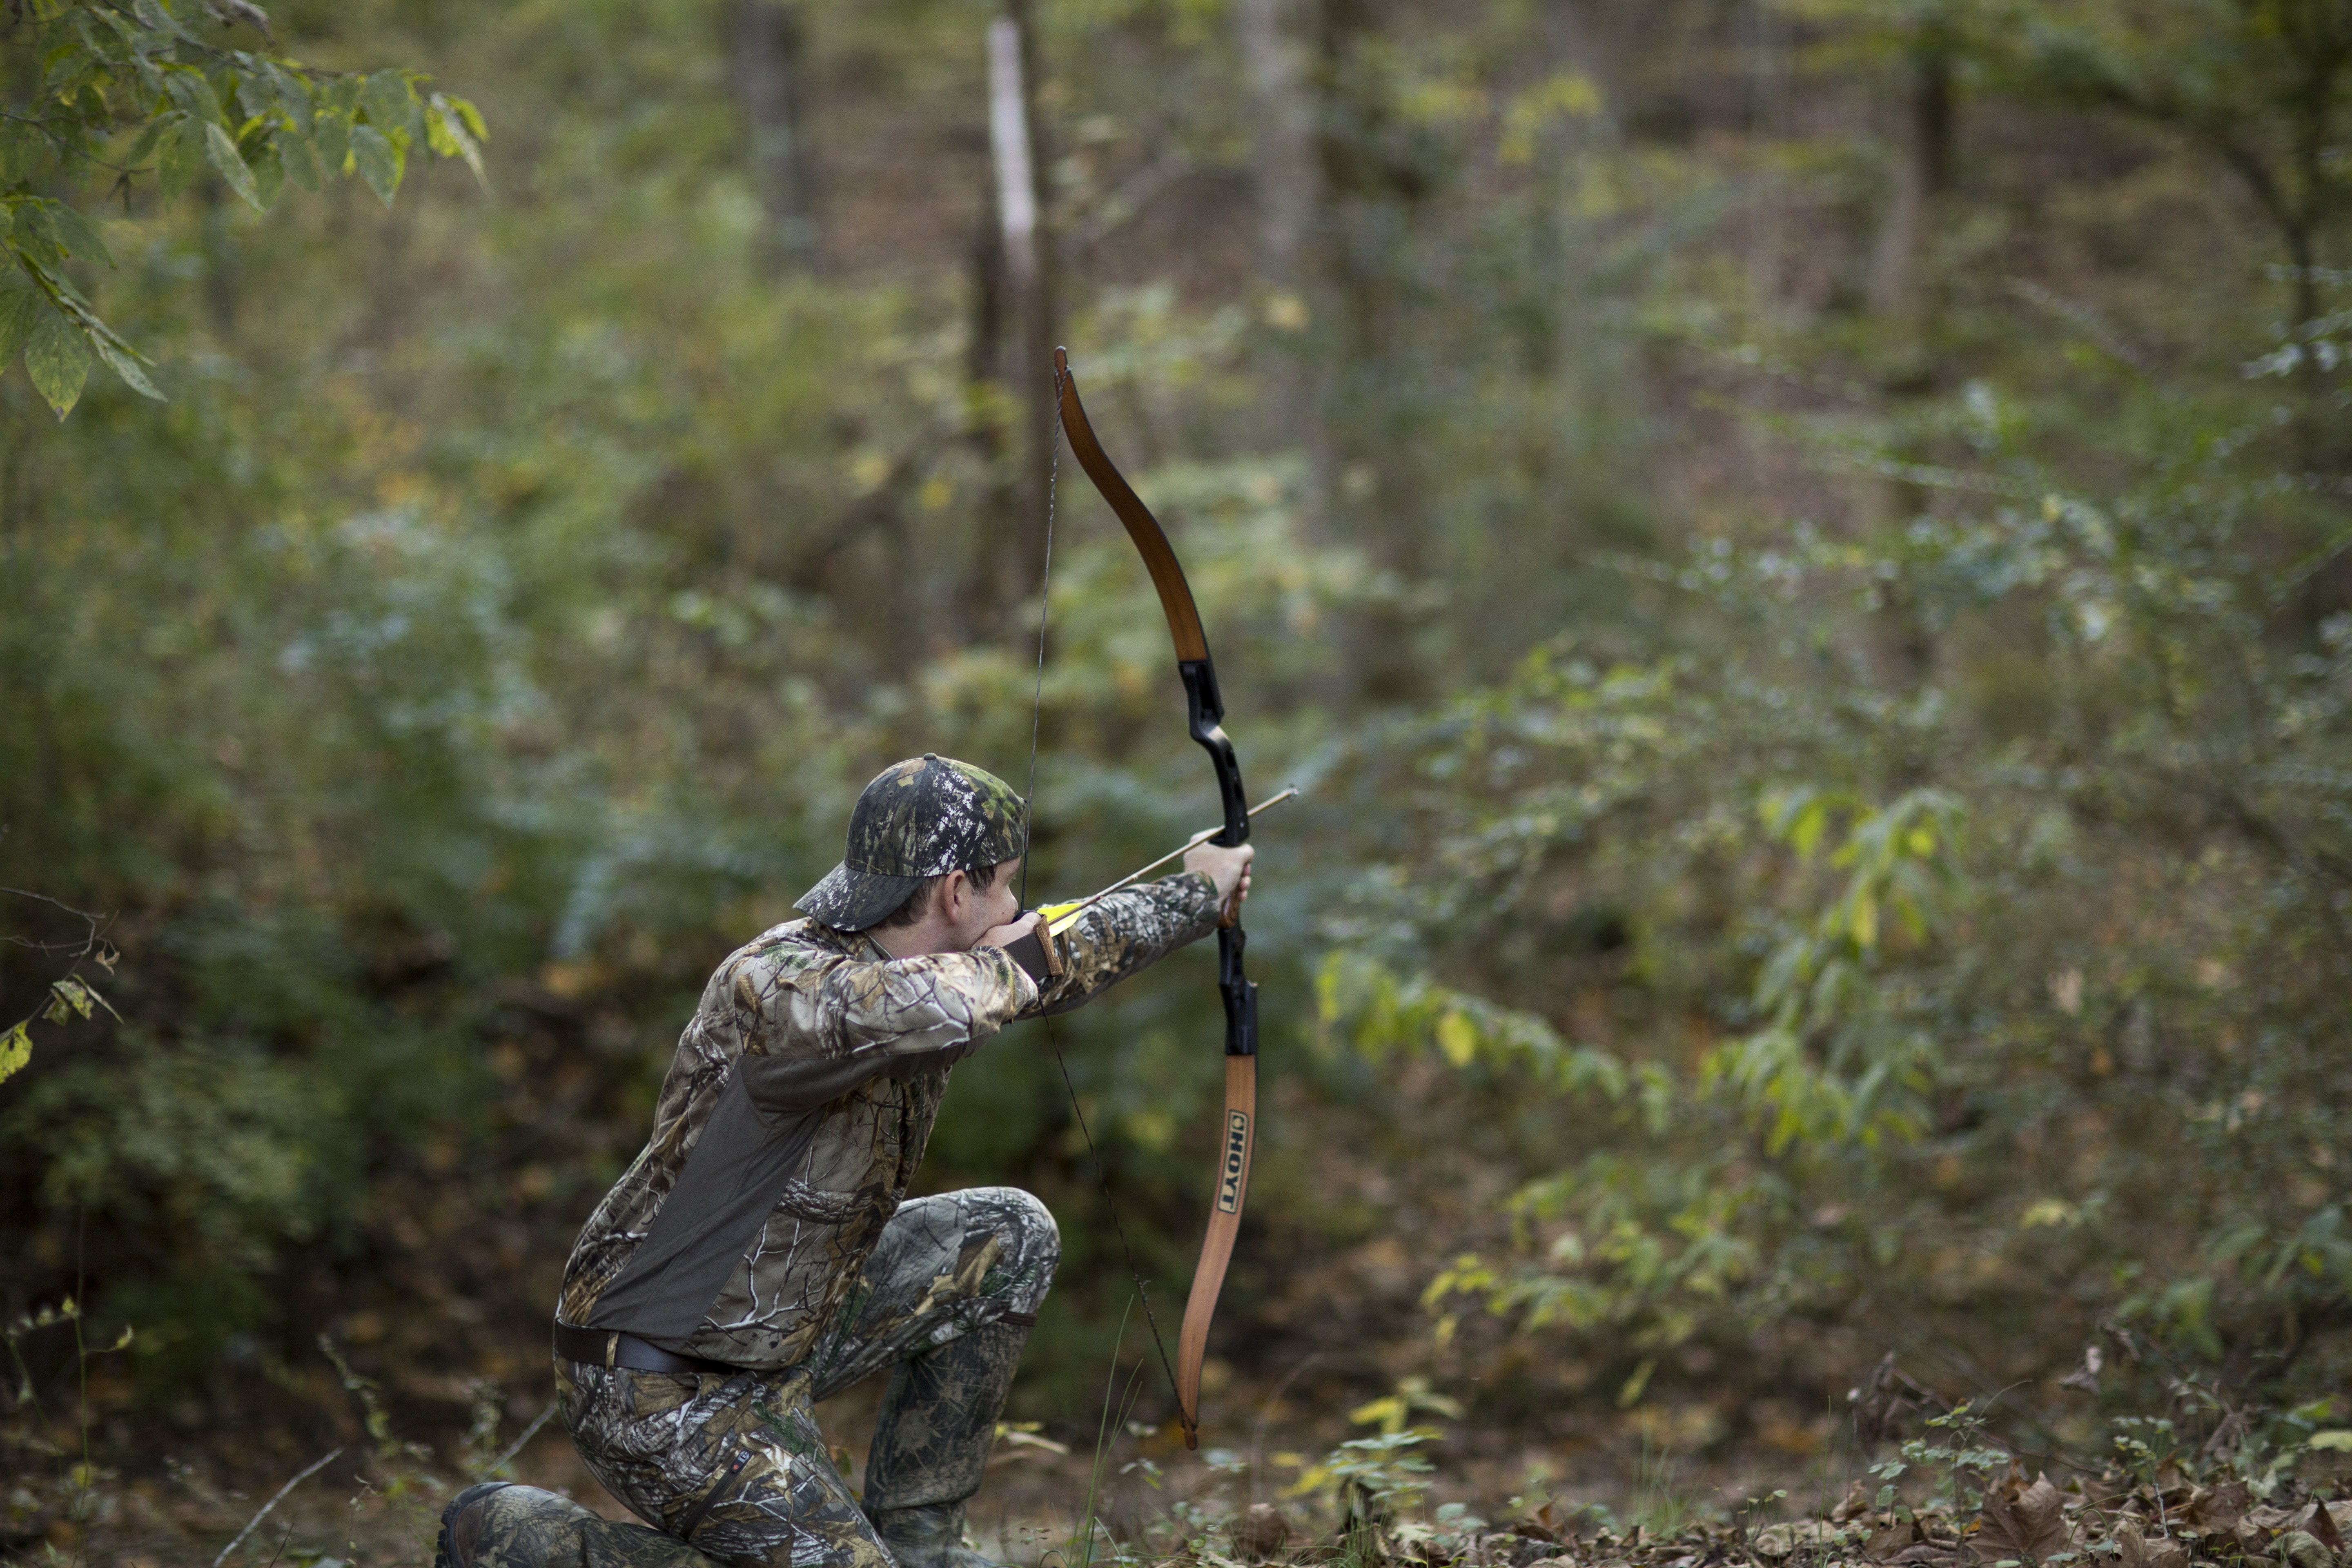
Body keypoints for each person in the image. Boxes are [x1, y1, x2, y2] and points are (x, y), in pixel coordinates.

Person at [435, 754, 1254, 1568]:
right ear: (953, 892)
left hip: (789, 1334)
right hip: (661, 1384)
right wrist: (1028, 959)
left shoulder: (947, 970)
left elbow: (1038, 964)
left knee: (1008, 1235)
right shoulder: (779, 986)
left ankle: (920, 1546)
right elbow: (945, 995)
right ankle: (529, 1542)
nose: (1016, 906)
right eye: (1003, 884)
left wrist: (1198, 891)